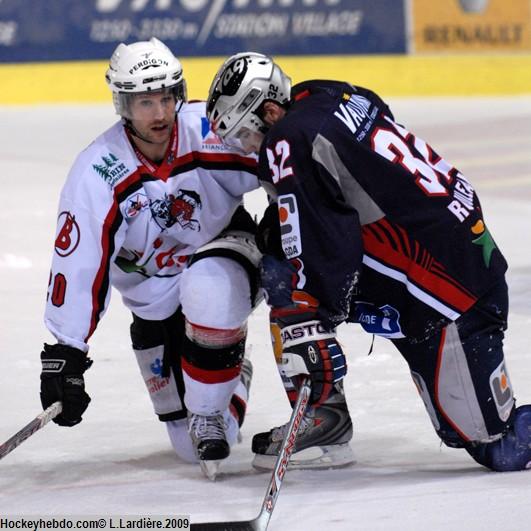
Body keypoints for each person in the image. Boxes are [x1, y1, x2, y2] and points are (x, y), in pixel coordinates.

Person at [205, 52, 531, 472]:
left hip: (449, 294)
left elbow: (328, 245)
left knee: (498, 446)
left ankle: (323, 414)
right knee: (285, 259)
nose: (250, 148)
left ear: (269, 111)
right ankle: (324, 419)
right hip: (456, 262)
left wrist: (311, 319)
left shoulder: (287, 137)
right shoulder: (327, 93)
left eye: (246, 135)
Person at [39, 38, 262, 480]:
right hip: (155, 299)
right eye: (145, 102)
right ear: (123, 104)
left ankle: (214, 356)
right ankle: (231, 369)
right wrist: (65, 350)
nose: (160, 114)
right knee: (189, 449)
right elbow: (79, 263)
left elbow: (285, 161)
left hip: (225, 252)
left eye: (166, 98)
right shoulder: (98, 170)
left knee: (206, 289)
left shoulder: (212, 129)